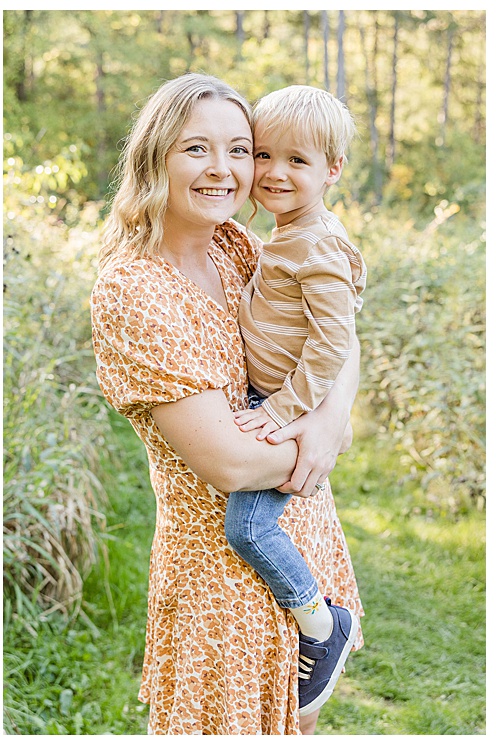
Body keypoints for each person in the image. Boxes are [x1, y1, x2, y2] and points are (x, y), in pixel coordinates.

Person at [89, 73, 363, 735]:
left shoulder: (235, 246)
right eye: (197, 149)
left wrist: (327, 425)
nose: (226, 169)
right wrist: (326, 438)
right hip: (223, 581)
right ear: (155, 157)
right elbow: (233, 466)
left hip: (303, 535)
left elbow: (339, 336)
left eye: (240, 149)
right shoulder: (133, 289)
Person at [223, 84, 368, 716]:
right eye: (264, 155)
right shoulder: (286, 234)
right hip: (280, 397)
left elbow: (335, 342)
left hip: (288, 404)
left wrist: (288, 412)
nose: (275, 172)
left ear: (333, 170)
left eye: (298, 161)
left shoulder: (316, 242)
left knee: (248, 525)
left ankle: (320, 623)